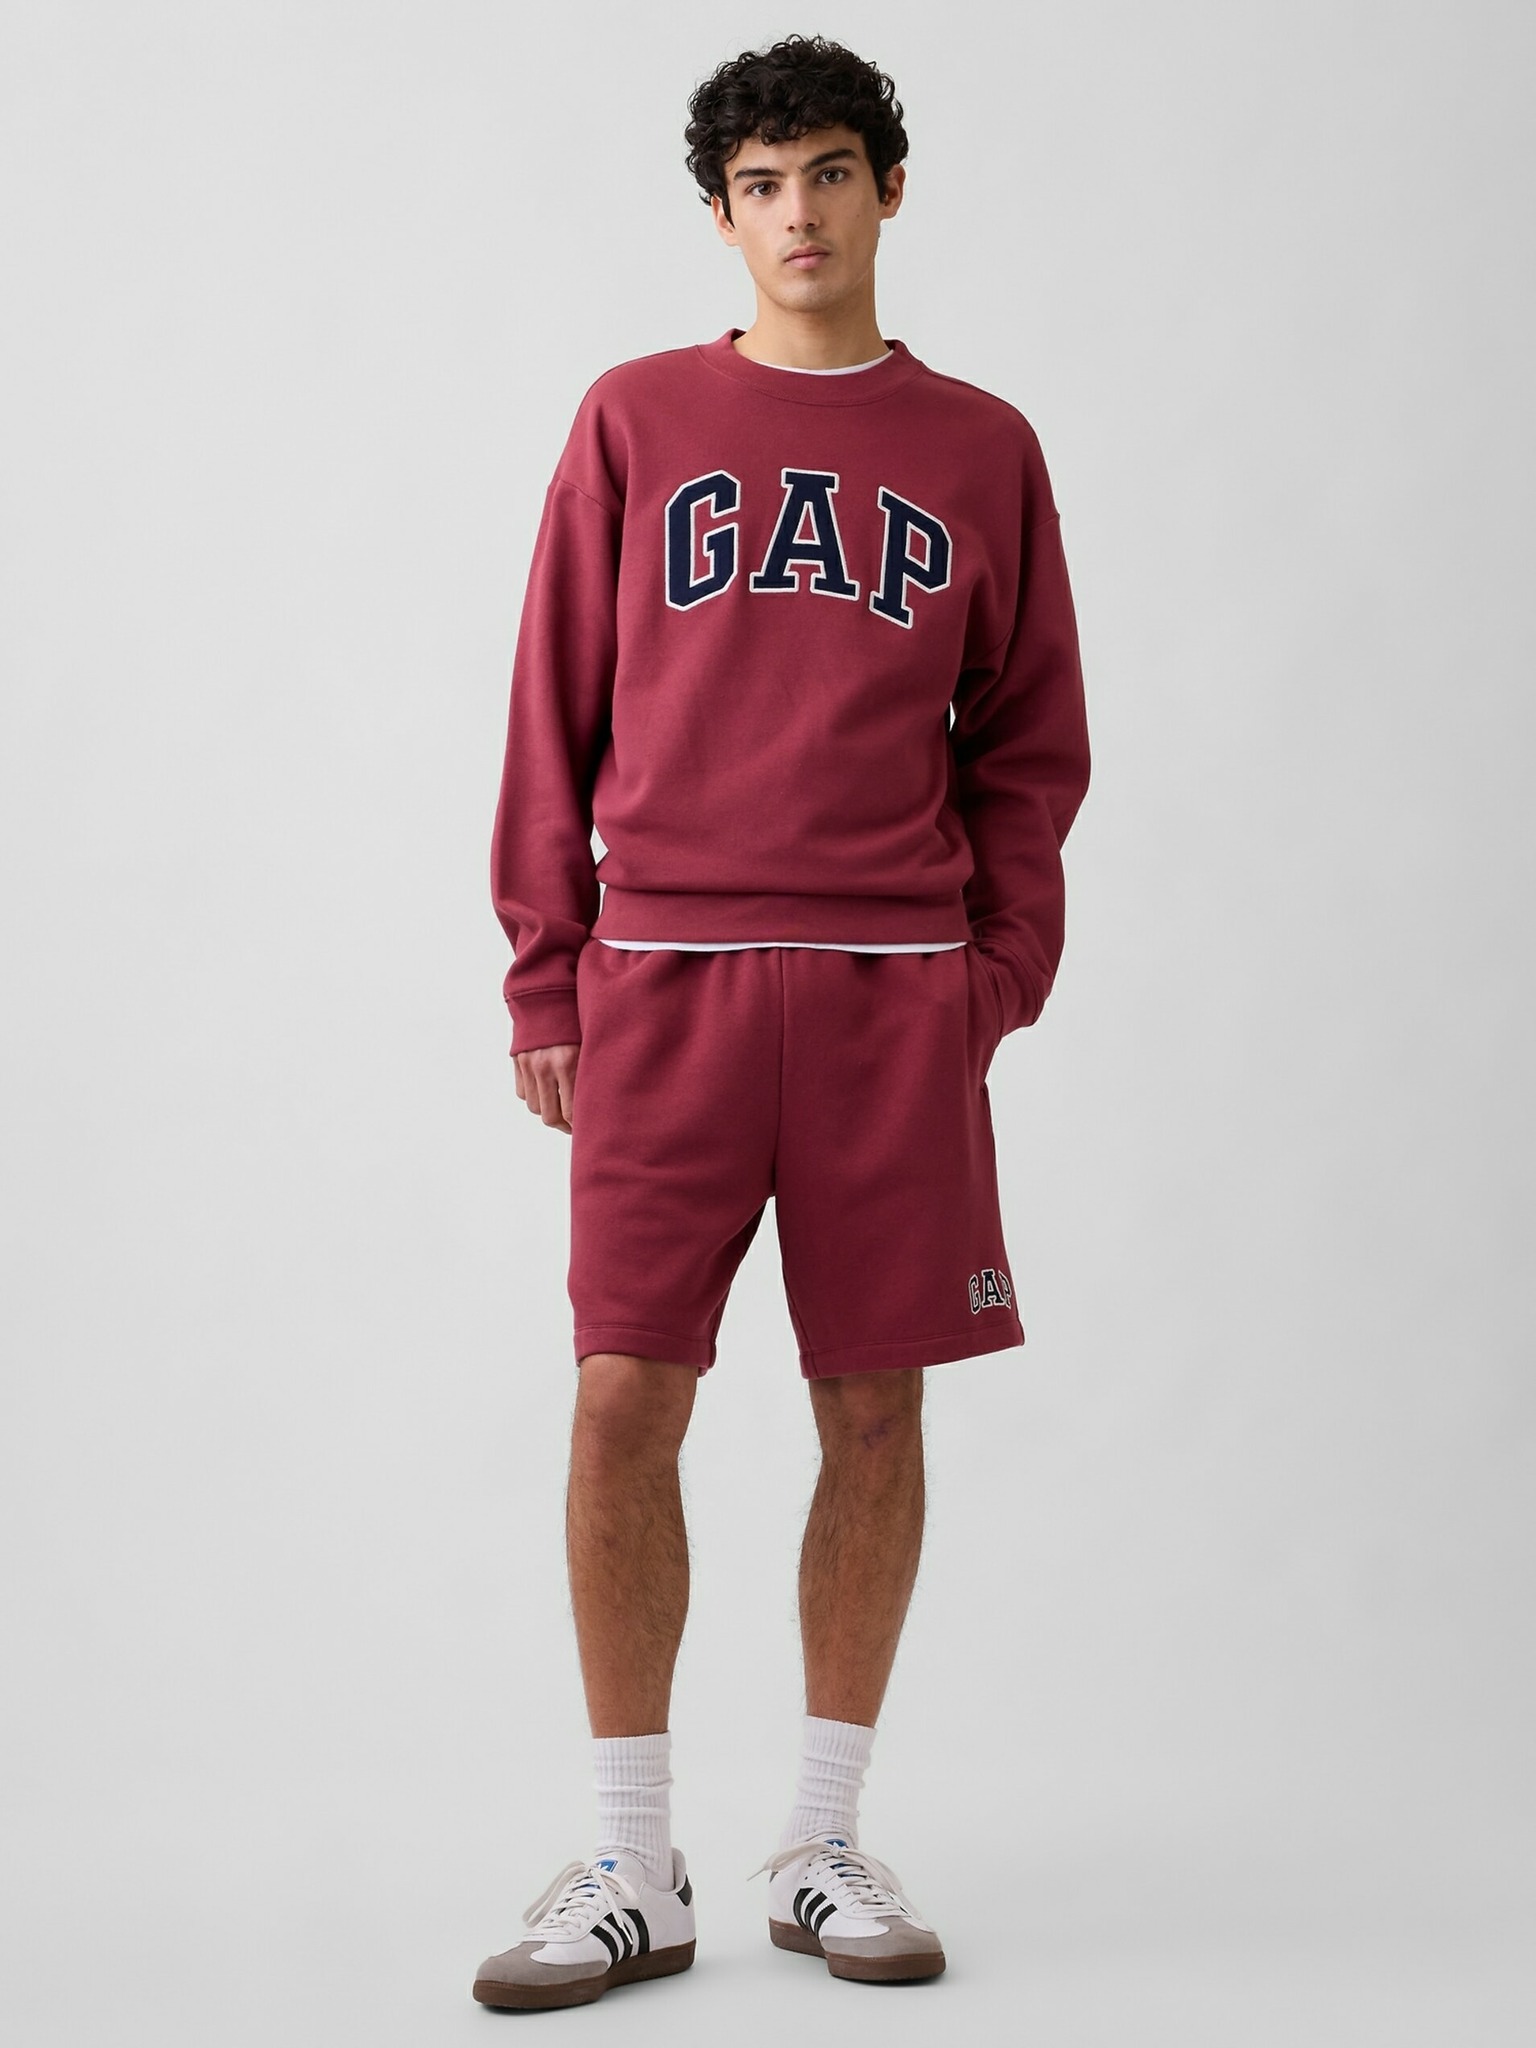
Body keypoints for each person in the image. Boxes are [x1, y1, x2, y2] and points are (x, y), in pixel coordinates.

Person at [474, 31, 1090, 2011]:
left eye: (830, 172)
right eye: (760, 184)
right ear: (721, 215)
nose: (798, 212)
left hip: (894, 998)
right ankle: (631, 1859)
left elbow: (1032, 737)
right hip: (660, 980)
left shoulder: (981, 446)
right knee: (620, 1398)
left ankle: (822, 1838)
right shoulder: (635, 419)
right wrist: (545, 963)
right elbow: (552, 708)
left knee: (874, 1404)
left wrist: (1000, 970)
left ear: (888, 190)